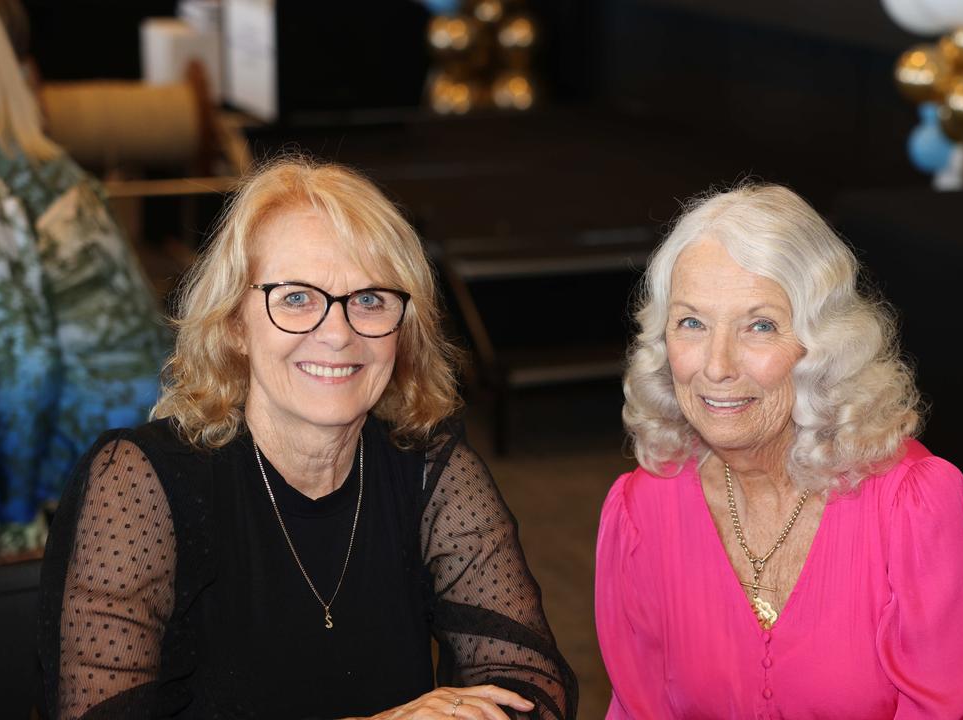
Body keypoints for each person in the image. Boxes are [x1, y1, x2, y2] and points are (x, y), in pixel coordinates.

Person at [38, 157, 577, 720]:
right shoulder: (137, 483)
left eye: (369, 299)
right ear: (233, 325)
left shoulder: (431, 470)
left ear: (403, 325)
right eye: (296, 298)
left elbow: (532, 684)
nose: (338, 334)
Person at [595, 184, 963, 718]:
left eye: (759, 326)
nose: (716, 366)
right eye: (692, 323)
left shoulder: (913, 506)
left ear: (824, 346)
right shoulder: (641, 513)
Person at [0, 0, 170, 561]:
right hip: (154, 416)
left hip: (91, 444)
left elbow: (25, 370)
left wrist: (17, 523)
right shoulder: (28, 158)